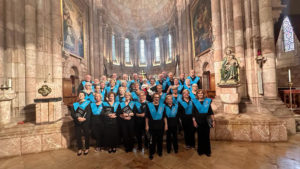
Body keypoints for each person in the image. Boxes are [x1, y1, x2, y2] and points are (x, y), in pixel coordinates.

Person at [192, 89, 215, 156]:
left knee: (206, 136)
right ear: (197, 95)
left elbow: (211, 112)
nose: (200, 94)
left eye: (201, 93)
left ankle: (207, 151)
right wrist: (194, 121)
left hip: (206, 121)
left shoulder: (207, 101)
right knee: (200, 136)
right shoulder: (195, 102)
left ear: (203, 94)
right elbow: (193, 113)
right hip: (198, 121)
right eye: (199, 93)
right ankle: (200, 151)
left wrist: (213, 121)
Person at [145, 93, 168, 160]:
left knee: (160, 140)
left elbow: (164, 117)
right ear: (153, 98)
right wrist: (146, 125)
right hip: (152, 126)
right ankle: (151, 152)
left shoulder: (162, 106)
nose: (156, 98)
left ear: (159, 98)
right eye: (155, 97)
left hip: (160, 126)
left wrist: (166, 125)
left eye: (158, 97)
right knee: (152, 141)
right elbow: (147, 117)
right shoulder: (149, 105)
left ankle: (159, 151)